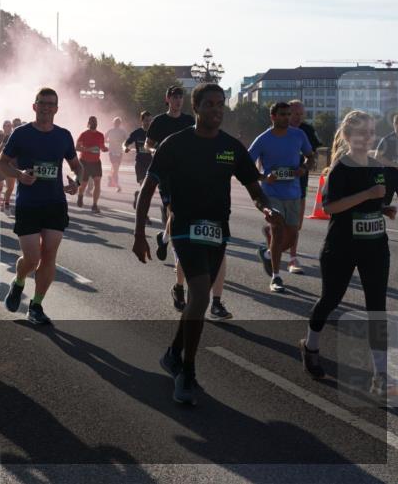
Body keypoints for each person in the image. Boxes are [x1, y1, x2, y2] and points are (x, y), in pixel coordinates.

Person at [133, 82, 281, 405]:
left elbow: (253, 186)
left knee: (196, 304)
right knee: (199, 295)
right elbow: (147, 189)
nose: (217, 109)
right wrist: (139, 233)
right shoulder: (175, 144)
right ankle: (187, 372)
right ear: (196, 108)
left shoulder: (231, 147)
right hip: (185, 227)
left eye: (220, 104)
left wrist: (266, 207)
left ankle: (173, 353)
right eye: (210, 104)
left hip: (217, 230)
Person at [299, 110, 398, 398]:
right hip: (341, 246)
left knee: (377, 308)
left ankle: (380, 373)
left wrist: (381, 208)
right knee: (331, 299)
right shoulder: (339, 168)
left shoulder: (376, 165)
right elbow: (330, 208)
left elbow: (369, 197)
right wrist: (368, 196)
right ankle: (311, 346)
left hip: (375, 246)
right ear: (347, 136)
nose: (367, 137)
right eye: (361, 132)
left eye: (371, 132)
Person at [0, 87, 81, 325]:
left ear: (56, 108)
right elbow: (1, 163)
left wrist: (77, 180)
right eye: (42, 103)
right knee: (31, 259)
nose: (46, 108)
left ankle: (36, 305)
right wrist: (19, 174)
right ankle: (19, 281)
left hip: (55, 203)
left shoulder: (63, 135)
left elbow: (76, 165)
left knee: (49, 255)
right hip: (29, 204)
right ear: (34, 106)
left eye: (50, 104)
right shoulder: (21, 134)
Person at [249, 101, 314, 290]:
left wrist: (303, 168)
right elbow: (246, 164)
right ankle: (276, 277)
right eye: (283, 115)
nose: (287, 118)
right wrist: (264, 177)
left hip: (293, 192)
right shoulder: (263, 139)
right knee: (277, 230)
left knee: (292, 235)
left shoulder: (299, 135)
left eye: (288, 114)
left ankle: (268, 254)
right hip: (271, 193)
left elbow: (311, 157)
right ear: (273, 117)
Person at [147, 86, 196, 312]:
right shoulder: (159, 122)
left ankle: (164, 238)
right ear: (167, 99)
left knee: (176, 217)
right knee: (174, 213)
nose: (177, 101)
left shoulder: (189, 120)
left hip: (187, 176)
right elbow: (148, 144)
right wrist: (157, 150)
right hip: (167, 176)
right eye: (174, 97)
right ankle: (169, 242)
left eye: (180, 97)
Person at [288, 100, 324, 265]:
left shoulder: (307, 130)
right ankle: (292, 257)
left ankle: (282, 252)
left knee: (297, 224)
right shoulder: (278, 128)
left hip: (300, 180)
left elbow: (314, 154)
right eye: (295, 114)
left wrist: (305, 166)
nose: (299, 118)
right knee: (280, 224)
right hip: (279, 182)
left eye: (301, 114)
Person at [374, 112, 398, 243]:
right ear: (394, 124)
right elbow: (377, 156)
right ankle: (375, 228)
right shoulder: (387, 139)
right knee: (382, 205)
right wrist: (396, 165)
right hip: (388, 175)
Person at [76, 116, 108, 213]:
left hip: (96, 162)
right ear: (89, 123)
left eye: (95, 121)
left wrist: (104, 149)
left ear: (97, 123)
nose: (94, 123)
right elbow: (77, 148)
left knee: (97, 183)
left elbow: (101, 147)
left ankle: (94, 205)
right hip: (84, 162)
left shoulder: (100, 135)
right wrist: (88, 150)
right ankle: (80, 195)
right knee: (83, 184)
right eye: (92, 121)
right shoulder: (84, 134)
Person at [124, 111, 153, 211]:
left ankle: (138, 197)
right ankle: (145, 214)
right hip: (140, 163)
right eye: (146, 120)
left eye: (150, 120)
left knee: (147, 191)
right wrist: (125, 148)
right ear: (142, 120)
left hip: (151, 165)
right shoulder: (137, 133)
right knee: (144, 187)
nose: (148, 122)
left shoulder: (154, 133)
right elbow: (126, 143)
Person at [106, 117, 129, 193]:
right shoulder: (110, 131)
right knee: (115, 168)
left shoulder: (123, 131)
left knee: (116, 168)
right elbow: (104, 139)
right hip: (112, 152)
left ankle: (110, 177)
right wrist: (109, 141)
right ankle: (117, 185)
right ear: (113, 123)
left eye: (118, 122)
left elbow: (127, 140)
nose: (117, 124)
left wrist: (125, 145)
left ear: (120, 123)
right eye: (116, 122)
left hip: (119, 152)